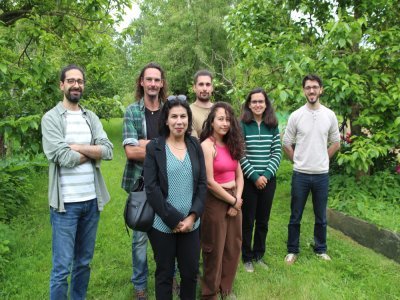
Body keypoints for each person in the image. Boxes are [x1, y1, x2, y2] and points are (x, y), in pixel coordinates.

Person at [41, 64, 113, 299]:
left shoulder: (90, 117)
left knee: (84, 262)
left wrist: (76, 147)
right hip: (65, 206)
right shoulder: (51, 118)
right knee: (62, 268)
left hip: (91, 202)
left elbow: (108, 149)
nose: (76, 85)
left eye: (80, 81)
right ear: (61, 85)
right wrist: (91, 152)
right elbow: (62, 156)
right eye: (71, 81)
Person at [144, 95, 207, 299]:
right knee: (164, 274)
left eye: (183, 116)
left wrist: (191, 217)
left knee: (189, 274)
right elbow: (151, 188)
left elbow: (202, 184)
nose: (179, 121)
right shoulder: (154, 147)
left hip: (191, 224)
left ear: (188, 119)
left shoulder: (195, 145)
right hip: (163, 224)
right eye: (174, 116)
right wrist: (173, 219)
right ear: (166, 120)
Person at [283, 74, 340, 265]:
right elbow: (287, 143)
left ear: (321, 89)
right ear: (303, 90)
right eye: (308, 87)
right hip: (301, 174)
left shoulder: (329, 115)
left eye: (315, 87)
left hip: (321, 175)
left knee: (321, 216)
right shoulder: (296, 115)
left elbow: (336, 142)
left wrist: (324, 158)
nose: (312, 91)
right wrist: (297, 161)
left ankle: (320, 249)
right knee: (295, 215)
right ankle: (292, 250)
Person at [121, 62, 167, 299]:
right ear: (141, 82)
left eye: (157, 80)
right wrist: (161, 146)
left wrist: (144, 143)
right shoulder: (132, 111)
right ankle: (140, 286)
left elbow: (179, 146)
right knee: (140, 236)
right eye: (148, 79)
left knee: (170, 233)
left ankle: (170, 279)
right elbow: (131, 152)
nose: (152, 84)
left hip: (170, 183)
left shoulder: (170, 110)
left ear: (162, 83)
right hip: (141, 185)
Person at [200, 102, 244, 300]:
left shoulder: (231, 143)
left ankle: (226, 287)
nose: (225, 123)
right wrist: (232, 201)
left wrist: (238, 199)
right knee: (214, 248)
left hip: (234, 196)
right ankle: (210, 293)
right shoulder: (207, 146)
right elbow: (209, 182)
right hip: (216, 200)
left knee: (233, 245)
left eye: (228, 119)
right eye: (220, 119)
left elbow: (239, 175)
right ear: (211, 121)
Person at [239, 88, 282, 272]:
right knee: (247, 221)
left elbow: (277, 152)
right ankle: (246, 257)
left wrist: (266, 175)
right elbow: (240, 153)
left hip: (268, 180)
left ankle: (259, 255)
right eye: (254, 101)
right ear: (249, 104)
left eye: (261, 102)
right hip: (249, 180)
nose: (257, 105)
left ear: (266, 104)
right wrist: (256, 177)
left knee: (263, 221)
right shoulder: (242, 124)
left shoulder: (272, 125)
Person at [190, 70, 214, 138]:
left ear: (212, 88)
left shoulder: (219, 110)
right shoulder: (188, 111)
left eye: (208, 84)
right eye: (201, 84)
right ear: (194, 88)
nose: (205, 88)